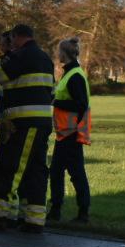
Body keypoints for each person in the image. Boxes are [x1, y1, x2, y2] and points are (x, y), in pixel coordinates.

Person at [0, 24, 54, 234]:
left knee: (11, 168)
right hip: (40, 123)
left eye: (10, 39)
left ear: (16, 38)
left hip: (23, 124)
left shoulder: (20, 56)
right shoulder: (44, 57)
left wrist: (6, 53)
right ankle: (33, 219)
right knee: (34, 170)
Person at [49, 37, 91, 223]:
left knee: (76, 174)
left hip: (71, 132)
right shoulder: (69, 74)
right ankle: (57, 210)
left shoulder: (74, 76)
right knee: (57, 172)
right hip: (64, 133)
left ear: (64, 53)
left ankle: (82, 212)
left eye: (59, 52)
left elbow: (80, 104)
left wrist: (55, 101)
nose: (57, 55)